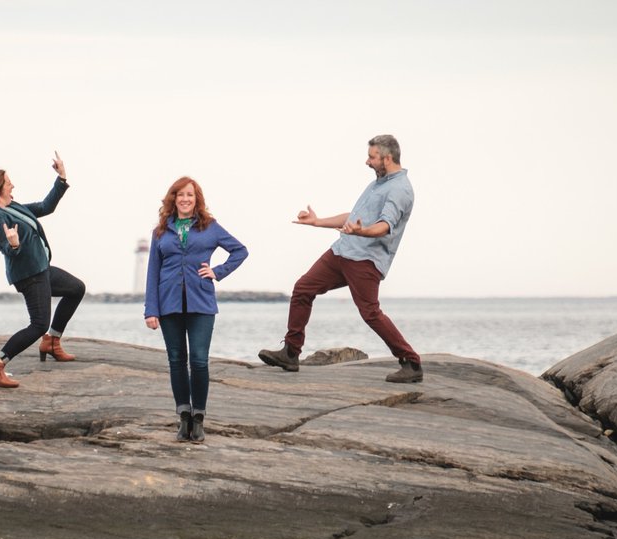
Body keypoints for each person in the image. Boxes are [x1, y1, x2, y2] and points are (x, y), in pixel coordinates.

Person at [258, 134, 422, 383]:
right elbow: (354, 216)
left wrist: (361, 231)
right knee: (303, 289)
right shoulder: (378, 183)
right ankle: (291, 353)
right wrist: (317, 222)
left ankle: (411, 363)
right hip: (342, 251)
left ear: (387, 158)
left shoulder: (400, 190)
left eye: (372, 157)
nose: (367, 162)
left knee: (370, 313)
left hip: (365, 260)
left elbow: (384, 226)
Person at [0, 152, 87, 388]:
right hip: (29, 276)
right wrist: (13, 244)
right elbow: (6, 248)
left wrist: (61, 179)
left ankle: (52, 342)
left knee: (76, 288)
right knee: (37, 324)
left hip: (41, 269)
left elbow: (46, 206)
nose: (13, 183)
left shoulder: (13, 207)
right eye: (8, 181)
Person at [144, 176, 248, 442]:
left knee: (199, 360)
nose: (185, 199)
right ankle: (183, 417)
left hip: (201, 303)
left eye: (190, 195)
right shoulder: (160, 231)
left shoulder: (209, 227)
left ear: (197, 198)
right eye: (180, 195)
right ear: (173, 199)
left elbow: (240, 251)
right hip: (168, 304)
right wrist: (150, 310)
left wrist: (217, 271)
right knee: (176, 360)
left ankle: (199, 418)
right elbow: (152, 272)